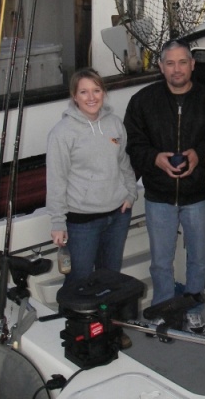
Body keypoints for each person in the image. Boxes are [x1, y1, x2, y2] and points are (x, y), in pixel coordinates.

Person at [124, 39, 205, 333]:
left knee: (198, 259)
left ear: (193, 65)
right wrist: (155, 159)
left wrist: (197, 154)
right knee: (161, 261)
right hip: (159, 195)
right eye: (170, 63)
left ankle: (193, 308)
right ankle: (164, 308)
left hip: (198, 194)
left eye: (183, 62)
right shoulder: (142, 101)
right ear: (160, 67)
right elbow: (133, 144)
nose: (177, 69)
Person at [46, 67, 138, 289]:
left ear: (103, 93)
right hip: (82, 223)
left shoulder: (115, 123)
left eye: (96, 90)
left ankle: (105, 323)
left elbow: (123, 162)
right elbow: (56, 179)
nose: (91, 97)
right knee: (80, 281)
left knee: (110, 278)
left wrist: (131, 193)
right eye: (84, 92)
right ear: (74, 96)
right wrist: (58, 222)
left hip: (117, 216)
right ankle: (76, 323)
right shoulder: (62, 133)